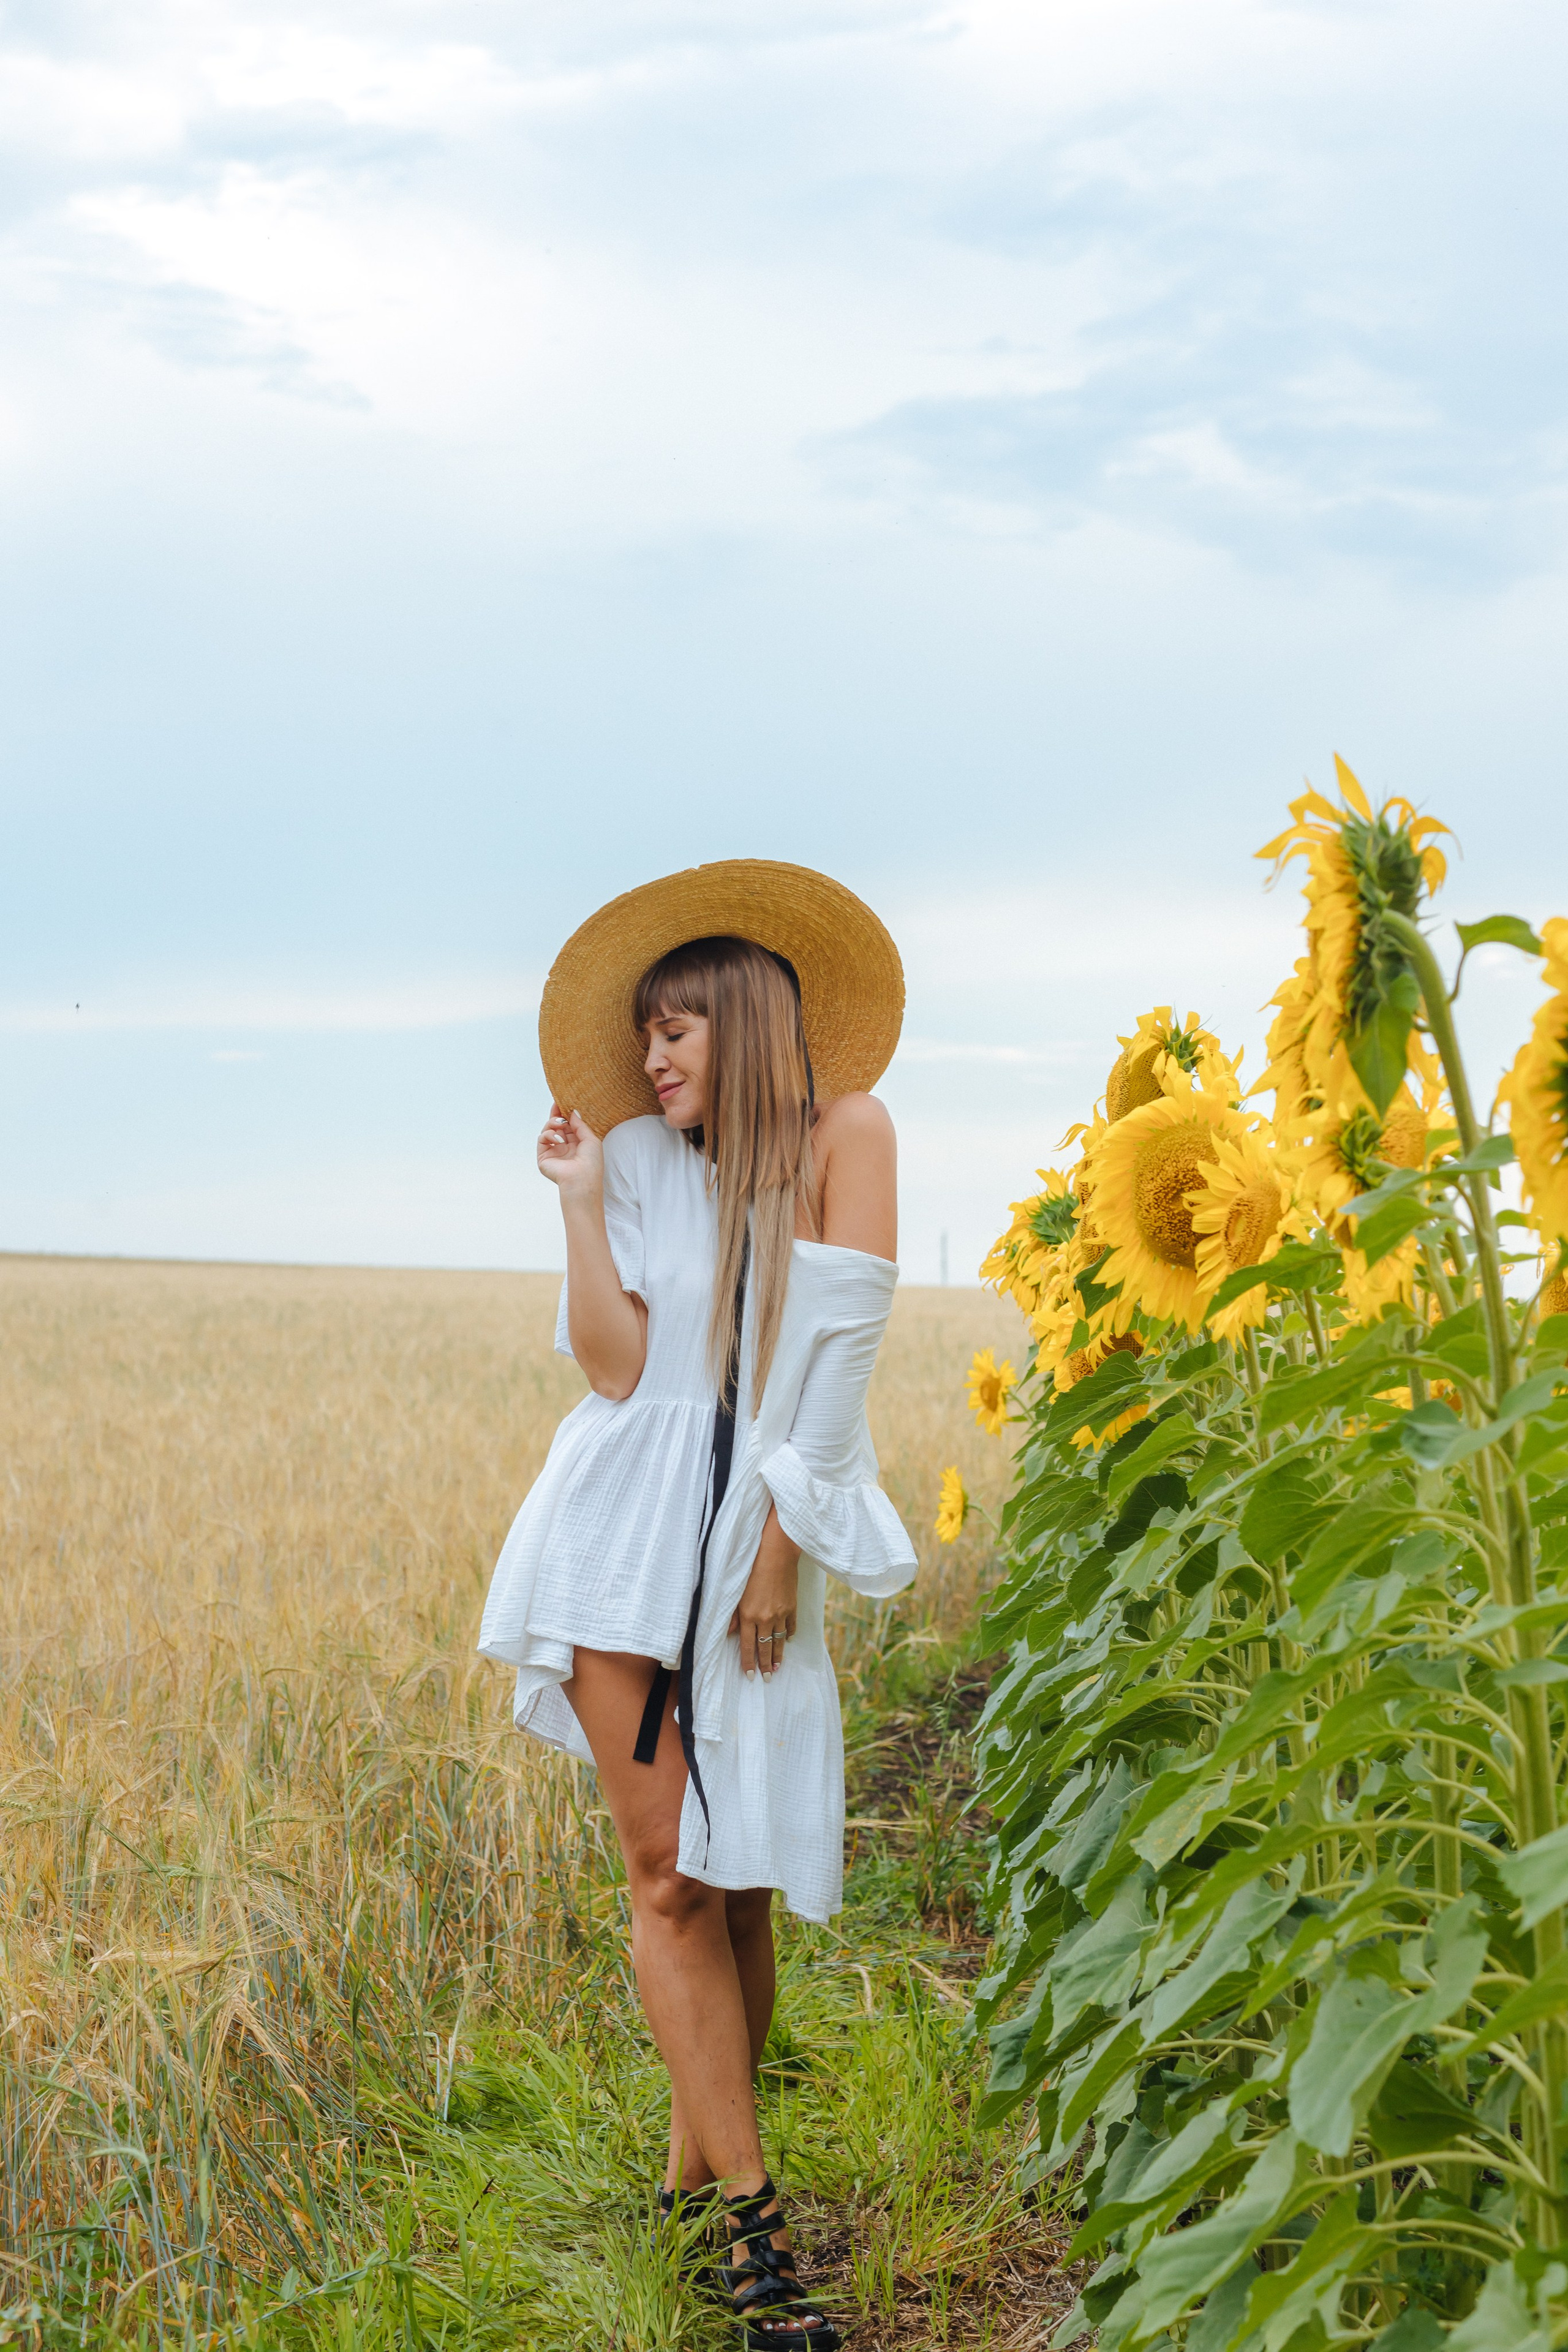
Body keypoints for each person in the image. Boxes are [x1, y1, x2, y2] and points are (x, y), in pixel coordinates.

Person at [477, 861, 917, 2348]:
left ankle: (687, 2188)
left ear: (745, 1017)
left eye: (676, 1031)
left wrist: (784, 1547)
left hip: (755, 1533)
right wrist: (582, 1203)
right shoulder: (632, 1157)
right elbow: (613, 1368)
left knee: (736, 1885)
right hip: (617, 1532)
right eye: (643, 1037)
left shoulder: (842, 1135)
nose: (651, 1059)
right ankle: (755, 2241)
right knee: (668, 1873)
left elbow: (840, 1362)